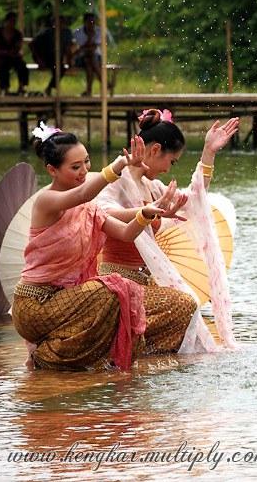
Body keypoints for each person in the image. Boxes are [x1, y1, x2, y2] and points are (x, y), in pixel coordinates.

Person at [11, 123, 199, 371]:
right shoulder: (47, 200)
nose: (84, 171)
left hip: (72, 299)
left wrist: (146, 214)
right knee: (113, 290)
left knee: (177, 304)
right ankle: (45, 357)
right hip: (36, 305)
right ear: (52, 170)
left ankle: (106, 353)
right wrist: (120, 165)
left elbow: (126, 233)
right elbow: (82, 194)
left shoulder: (90, 209)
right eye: (75, 167)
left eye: (87, 163)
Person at [95, 109, 240, 350]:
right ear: (154, 150)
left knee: (189, 315)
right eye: (171, 161)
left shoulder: (152, 187)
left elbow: (193, 199)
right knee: (184, 305)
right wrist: (146, 211)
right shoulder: (117, 179)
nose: (168, 169)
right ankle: (130, 346)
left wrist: (209, 153)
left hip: (145, 282)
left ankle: (144, 351)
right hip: (117, 280)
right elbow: (100, 211)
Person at [29, 16, 74, 96]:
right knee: (58, 66)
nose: (60, 25)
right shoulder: (46, 33)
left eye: (62, 22)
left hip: (57, 59)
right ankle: (49, 89)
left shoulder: (67, 33)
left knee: (60, 68)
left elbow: (68, 48)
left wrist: (69, 60)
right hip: (45, 57)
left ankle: (49, 88)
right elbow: (32, 44)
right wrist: (39, 60)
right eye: (58, 23)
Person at [0, 12, 29, 95]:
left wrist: (13, 52)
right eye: (11, 21)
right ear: (6, 21)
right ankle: (5, 89)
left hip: (13, 57)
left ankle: (22, 87)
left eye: (14, 21)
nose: (12, 23)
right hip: (0, 57)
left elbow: (18, 47)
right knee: (2, 66)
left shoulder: (17, 34)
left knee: (22, 65)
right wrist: (5, 52)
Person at [72, 12, 105, 96]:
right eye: (90, 22)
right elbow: (77, 49)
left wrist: (84, 47)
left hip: (95, 57)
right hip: (81, 58)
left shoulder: (99, 31)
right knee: (89, 59)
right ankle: (104, 82)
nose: (92, 24)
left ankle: (89, 91)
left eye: (93, 22)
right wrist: (90, 38)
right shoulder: (77, 32)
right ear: (84, 22)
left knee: (89, 61)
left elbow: (93, 48)